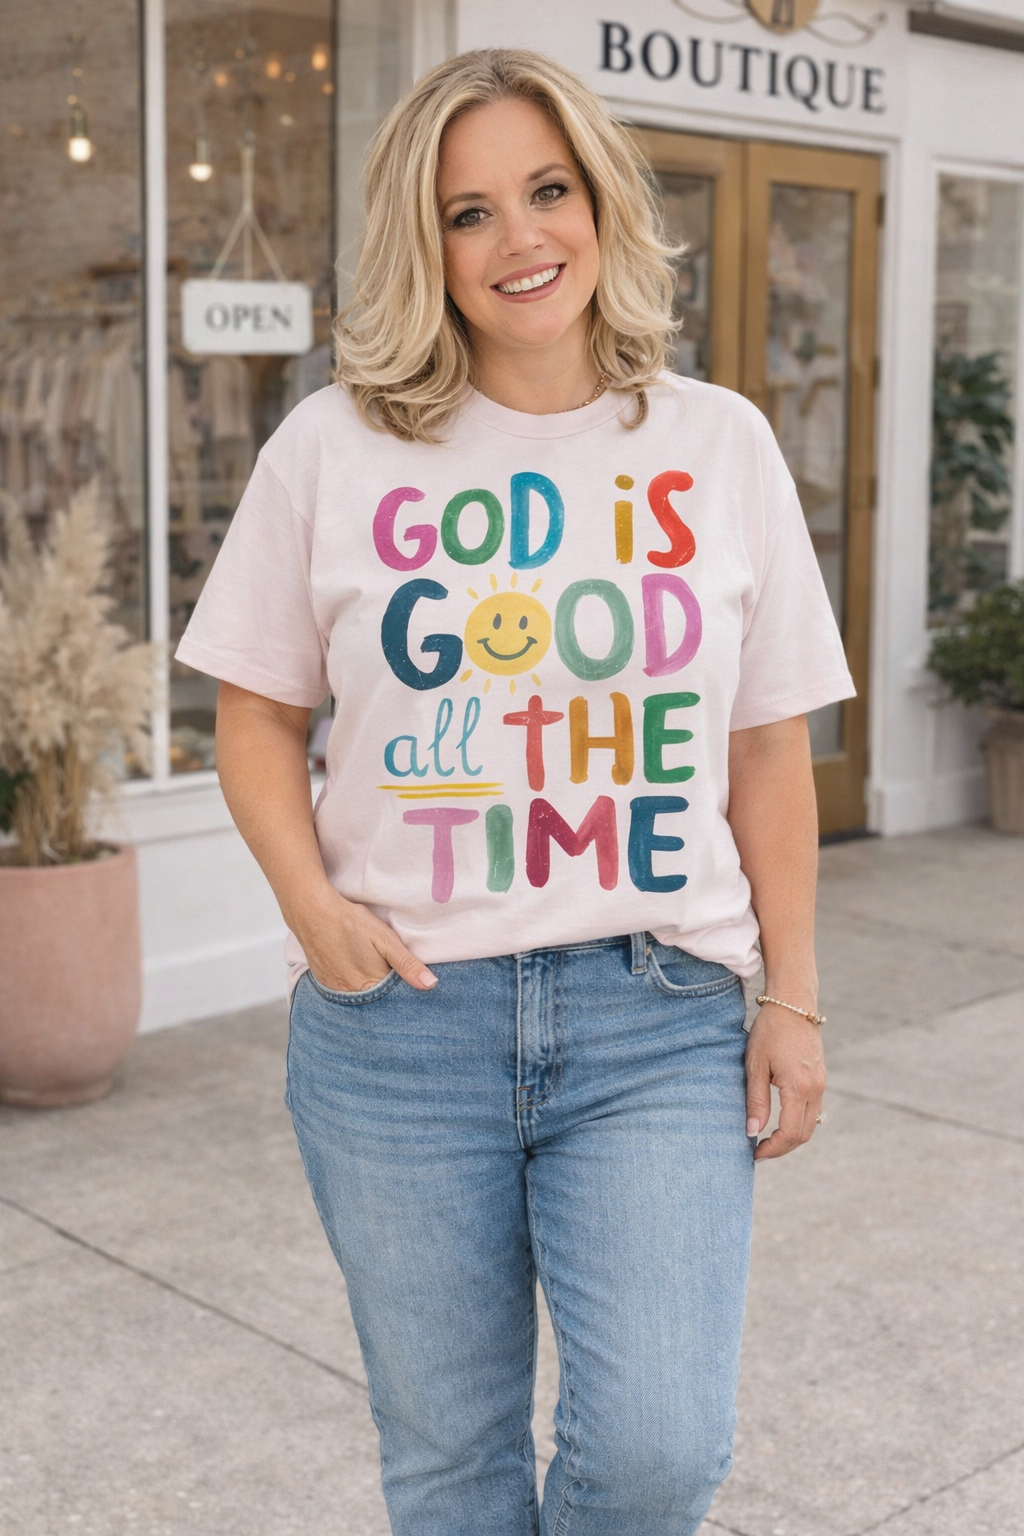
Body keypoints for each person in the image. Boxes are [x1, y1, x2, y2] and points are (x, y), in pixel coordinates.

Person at [176, 47, 852, 1536]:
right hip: (401, 1031)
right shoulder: (335, 444)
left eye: (546, 191)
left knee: (662, 1449)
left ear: (603, 203)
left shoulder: (719, 443)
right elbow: (254, 716)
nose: (518, 239)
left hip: (657, 1012)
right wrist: (314, 907)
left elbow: (764, 750)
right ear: (426, 245)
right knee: (449, 1459)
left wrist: (790, 997)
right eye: (468, 211)